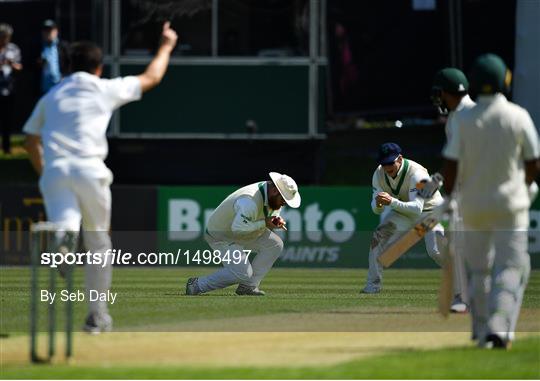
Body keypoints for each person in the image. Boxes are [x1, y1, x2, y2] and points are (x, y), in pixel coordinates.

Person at [22, 22, 178, 333]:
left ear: (65, 66)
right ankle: (96, 316)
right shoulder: (104, 88)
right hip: (91, 171)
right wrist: (166, 46)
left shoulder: (51, 96)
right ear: (99, 67)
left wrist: (46, 172)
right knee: (98, 242)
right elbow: (153, 77)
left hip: (56, 171)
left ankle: (63, 245)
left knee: (65, 225)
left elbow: (29, 140)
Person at [442, 53, 540, 348]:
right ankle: (498, 326)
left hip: (472, 206)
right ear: (504, 82)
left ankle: (482, 330)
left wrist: (448, 197)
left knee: (479, 270)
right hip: (510, 205)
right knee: (510, 267)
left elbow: (451, 164)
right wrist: (527, 186)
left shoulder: (463, 119)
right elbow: (533, 161)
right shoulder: (517, 115)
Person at [186, 172, 301, 296]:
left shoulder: (272, 196)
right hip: (222, 236)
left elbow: (270, 216)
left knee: (275, 245)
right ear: (274, 191)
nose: (284, 203)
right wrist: (265, 223)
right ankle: (197, 284)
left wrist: (276, 221)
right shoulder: (249, 201)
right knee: (243, 273)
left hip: (245, 231)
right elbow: (238, 229)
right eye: (283, 199)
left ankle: (248, 286)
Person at [362, 142, 445, 294]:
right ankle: (372, 286)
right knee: (377, 238)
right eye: (383, 163)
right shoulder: (379, 174)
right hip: (404, 211)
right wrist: (379, 204)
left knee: (435, 251)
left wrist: (391, 201)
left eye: (390, 163)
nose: (387, 168)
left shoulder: (418, 174)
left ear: (399, 159)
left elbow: (417, 208)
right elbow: (376, 210)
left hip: (429, 212)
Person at [431, 67, 475, 313]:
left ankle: (464, 296)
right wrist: (438, 179)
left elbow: (461, 160)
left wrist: (449, 192)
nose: (439, 100)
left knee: (459, 242)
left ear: (448, 93)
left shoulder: (461, 118)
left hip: (471, 189)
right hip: (473, 186)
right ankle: (467, 295)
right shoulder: (467, 114)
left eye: (440, 94)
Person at [0, 23, 22, 154]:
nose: (5, 39)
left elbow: (20, 66)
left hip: (9, 88)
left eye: (7, 37)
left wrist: (11, 64)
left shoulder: (13, 49)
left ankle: (6, 147)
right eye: (2, 36)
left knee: (7, 120)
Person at [38, 19, 69, 94]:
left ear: (56, 31)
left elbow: (70, 63)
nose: (48, 33)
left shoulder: (63, 46)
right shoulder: (37, 47)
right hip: (43, 89)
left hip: (60, 86)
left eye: (50, 30)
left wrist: (65, 76)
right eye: (45, 30)